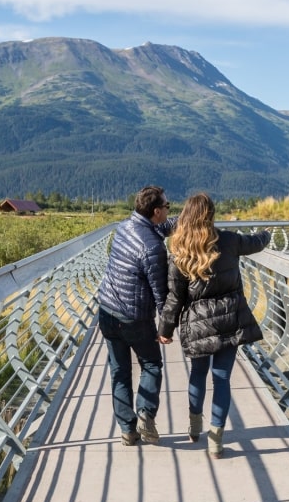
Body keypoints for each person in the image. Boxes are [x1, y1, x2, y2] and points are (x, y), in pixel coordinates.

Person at [158, 193, 271, 459]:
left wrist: (165, 329)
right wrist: (267, 233)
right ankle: (216, 441)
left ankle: (194, 427)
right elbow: (256, 243)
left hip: (198, 324)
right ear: (210, 215)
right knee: (222, 378)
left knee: (198, 373)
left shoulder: (179, 250)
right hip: (230, 319)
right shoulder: (230, 241)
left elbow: (175, 297)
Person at [96, 185, 174, 446]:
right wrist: (166, 329)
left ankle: (127, 430)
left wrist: (182, 221)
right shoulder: (154, 248)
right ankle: (145, 412)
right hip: (135, 318)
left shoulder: (124, 227)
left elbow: (157, 229)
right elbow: (161, 294)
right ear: (156, 211)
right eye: (167, 207)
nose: (168, 210)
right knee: (151, 364)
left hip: (107, 311)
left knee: (119, 372)